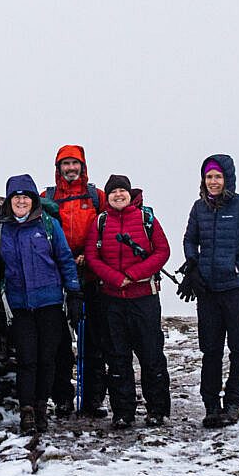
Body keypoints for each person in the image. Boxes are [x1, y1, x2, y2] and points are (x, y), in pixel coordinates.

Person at [0, 175, 81, 436]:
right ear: (9, 201)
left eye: (25, 196)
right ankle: (27, 411)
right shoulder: (2, 231)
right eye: (16, 197)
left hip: (50, 303)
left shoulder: (49, 226)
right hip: (18, 306)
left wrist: (74, 292)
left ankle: (41, 408)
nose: (21, 201)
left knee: (47, 359)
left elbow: (64, 259)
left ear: (33, 200)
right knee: (27, 359)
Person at [180, 154, 239, 428]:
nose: (213, 182)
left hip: (236, 290)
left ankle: (233, 402)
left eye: (217, 177)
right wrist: (193, 264)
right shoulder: (199, 208)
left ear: (227, 178)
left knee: (238, 348)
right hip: (208, 291)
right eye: (209, 177)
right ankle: (211, 405)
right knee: (210, 350)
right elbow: (189, 239)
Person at [83, 175, 172, 428]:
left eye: (122, 190)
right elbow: (92, 255)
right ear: (107, 196)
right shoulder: (100, 222)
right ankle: (123, 412)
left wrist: (132, 275)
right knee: (117, 357)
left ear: (130, 194)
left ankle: (157, 410)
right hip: (111, 300)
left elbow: (162, 251)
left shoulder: (147, 219)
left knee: (151, 355)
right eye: (113, 192)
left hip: (144, 298)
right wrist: (115, 278)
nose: (118, 195)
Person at [41, 144, 108, 417]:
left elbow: (109, 227)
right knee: (58, 342)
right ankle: (63, 399)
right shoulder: (47, 197)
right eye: (65, 164)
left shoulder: (96, 196)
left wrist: (90, 256)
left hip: (91, 277)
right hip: (56, 279)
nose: (70, 168)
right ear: (58, 168)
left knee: (93, 341)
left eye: (74, 164)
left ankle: (93, 399)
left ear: (83, 166)